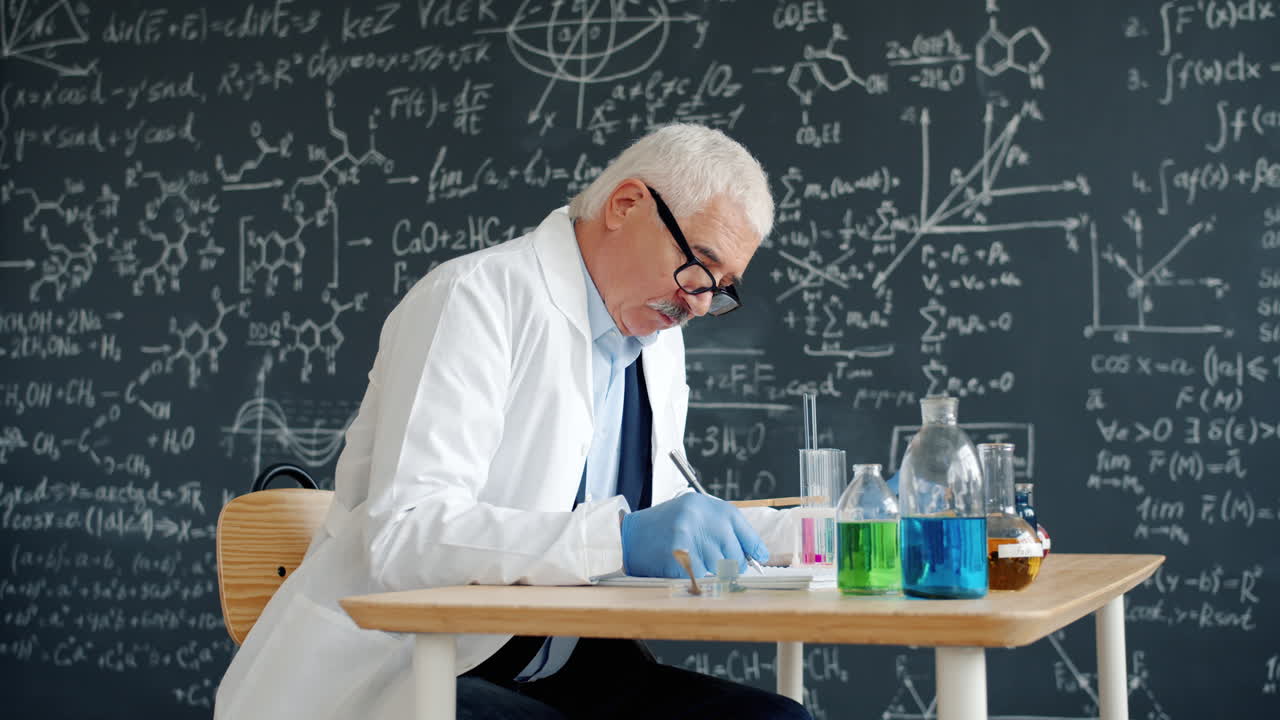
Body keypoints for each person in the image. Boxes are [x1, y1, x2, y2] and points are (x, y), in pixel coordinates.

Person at [214, 124, 810, 720]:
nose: (700, 304)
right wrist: (619, 540)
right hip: (420, 666)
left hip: (569, 665)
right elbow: (406, 533)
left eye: (722, 288)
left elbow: (672, 510)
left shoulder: (654, 341)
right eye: (699, 267)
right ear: (627, 205)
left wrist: (820, 529)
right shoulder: (473, 298)